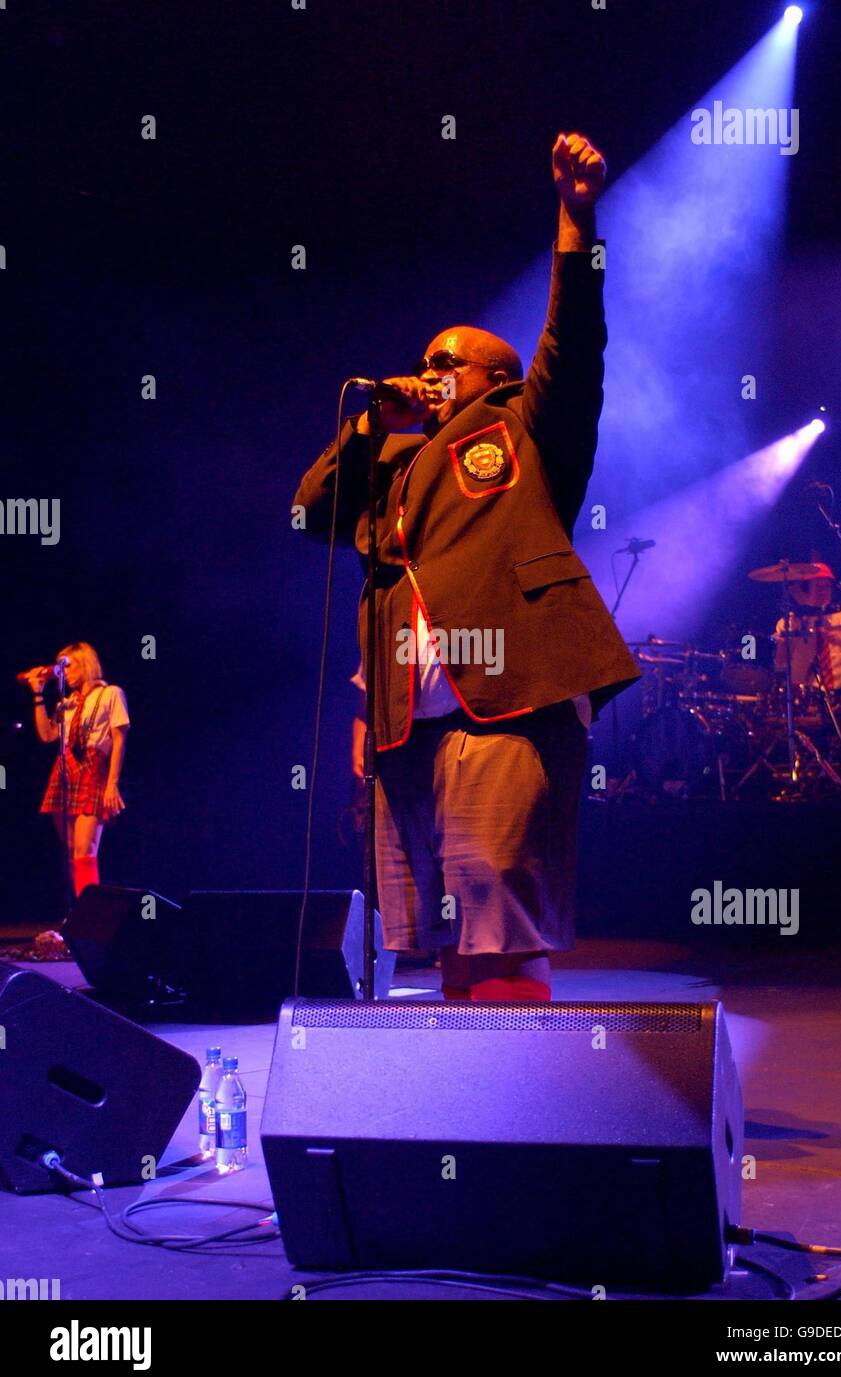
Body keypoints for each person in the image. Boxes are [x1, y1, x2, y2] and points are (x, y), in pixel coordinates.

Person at [294, 133, 639, 1002]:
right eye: (424, 363)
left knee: (494, 891)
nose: (427, 373)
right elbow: (309, 513)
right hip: (410, 719)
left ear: (496, 375)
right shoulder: (398, 467)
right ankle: (469, 1092)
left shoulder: (522, 428)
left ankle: (516, 1088)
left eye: (445, 363)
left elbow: (577, 342)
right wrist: (371, 425)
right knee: (436, 916)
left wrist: (574, 219)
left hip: (506, 699)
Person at [25, 642, 130, 897]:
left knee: (85, 850)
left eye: (68, 667)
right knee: (71, 849)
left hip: (93, 767)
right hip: (65, 768)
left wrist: (112, 783)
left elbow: (119, 739)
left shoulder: (110, 693)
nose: (65, 673)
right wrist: (38, 695)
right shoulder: (67, 703)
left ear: (85, 664)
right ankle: (78, 913)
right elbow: (47, 734)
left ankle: (90, 919)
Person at [773, 563, 841, 694]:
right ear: (806, 589)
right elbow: (779, 662)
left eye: (827, 586)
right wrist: (793, 633)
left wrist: (839, 639)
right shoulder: (789, 621)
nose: (823, 591)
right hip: (804, 695)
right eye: (818, 586)